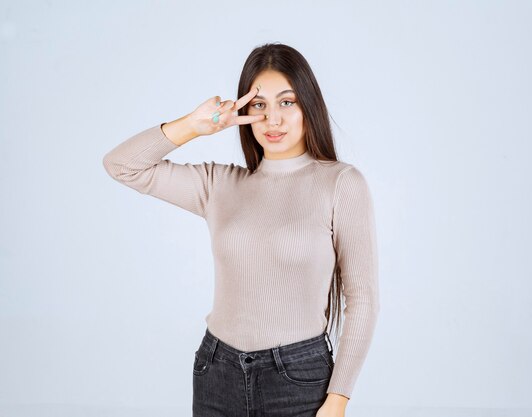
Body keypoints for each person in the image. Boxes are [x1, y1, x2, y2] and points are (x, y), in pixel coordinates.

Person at [102, 42, 380, 417]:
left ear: (308, 105)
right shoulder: (220, 184)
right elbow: (121, 166)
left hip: (299, 379)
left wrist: (339, 398)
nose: (273, 120)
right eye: (258, 105)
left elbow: (361, 297)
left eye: (287, 102)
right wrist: (193, 126)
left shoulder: (341, 183)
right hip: (217, 372)